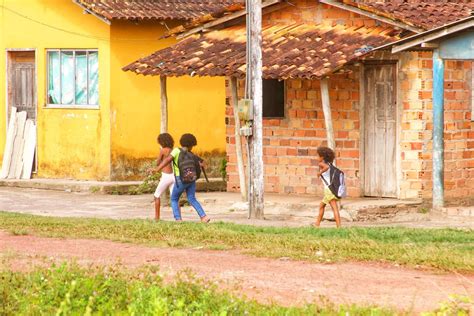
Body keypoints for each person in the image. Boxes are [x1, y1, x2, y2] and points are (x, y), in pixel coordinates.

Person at [156, 133, 210, 223]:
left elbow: (167, 160)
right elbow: (203, 163)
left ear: (181, 142)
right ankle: (204, 217)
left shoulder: (176, 150)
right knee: (192, 198)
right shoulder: (192, 154)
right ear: (191, 145)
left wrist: (157, 169)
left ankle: (178, 219)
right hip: (191, 179)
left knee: (174, 198)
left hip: (180, 179)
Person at [313, 146, 342, 228]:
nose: (317, 158)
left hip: (329, 190)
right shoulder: (329, 164)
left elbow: (326, 168)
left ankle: (339, 227)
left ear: (322, 157)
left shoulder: (322, 164)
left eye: (317, 156)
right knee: (321, 206)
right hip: (330, 189)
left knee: (334, 208)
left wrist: (320, 173)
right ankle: (317, 225)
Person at [150, 133, 175, 221]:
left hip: (166, 176)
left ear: (162, 142)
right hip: (173, 176)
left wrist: (160, 151)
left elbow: (157, 163)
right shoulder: (173, 150)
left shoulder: (163, 150)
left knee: (156, 195)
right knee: (174, 198)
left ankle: (157, 218)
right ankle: (178, 218)